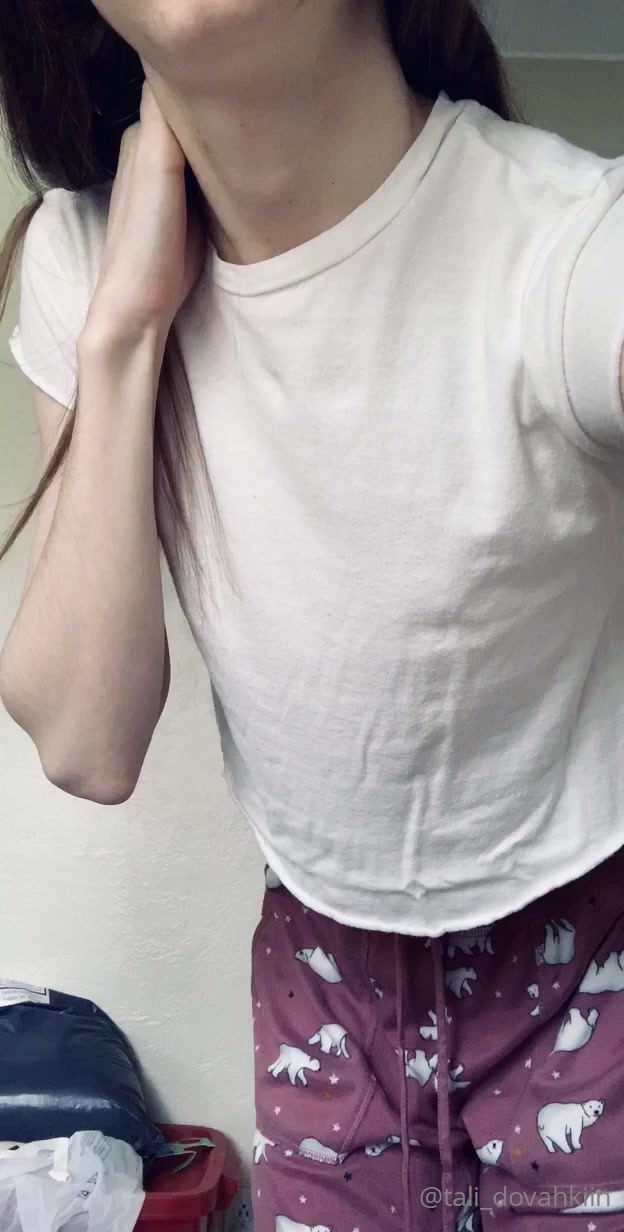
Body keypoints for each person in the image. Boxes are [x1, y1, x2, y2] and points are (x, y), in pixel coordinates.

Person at [1, 0, 624, 1227]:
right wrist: (125, 333)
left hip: (586, 948)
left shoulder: (572, 247)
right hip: (322, 969)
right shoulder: (83, 261)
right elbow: (85, 737)